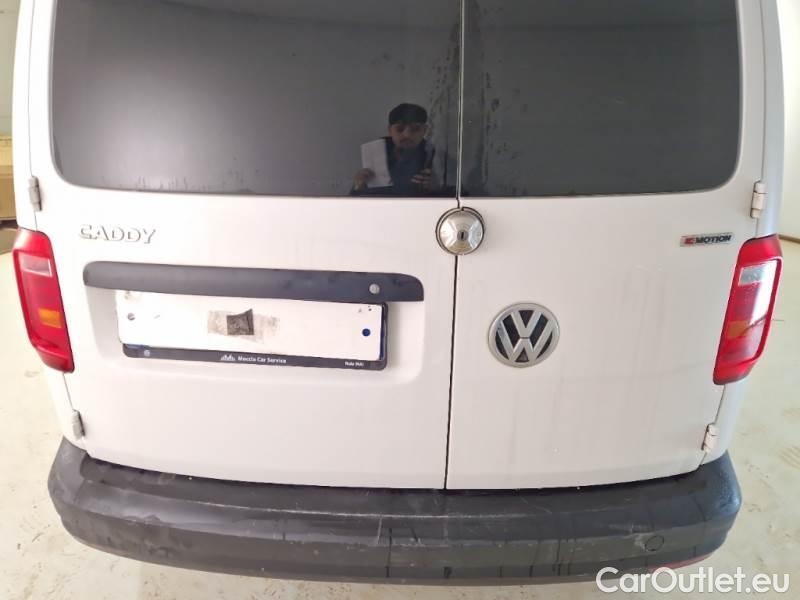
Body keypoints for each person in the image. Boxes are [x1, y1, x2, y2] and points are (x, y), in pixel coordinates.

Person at [352, 103, 438, 195]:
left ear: (424, 130)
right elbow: (355, 200)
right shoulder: (376, 153)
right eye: (400, 129)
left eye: (415, 129)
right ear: (390, 130)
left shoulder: (434, 155)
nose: (407, 135)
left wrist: (435, 189)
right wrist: (358, 186)